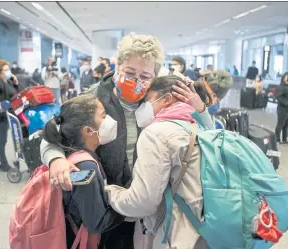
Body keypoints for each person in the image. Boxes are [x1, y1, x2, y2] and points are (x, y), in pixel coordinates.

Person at [40, 33, 213, 249]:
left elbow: (208, 137)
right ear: (117, 66)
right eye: (129, 73)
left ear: (155, 76)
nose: (137, 81)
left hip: (149, 211)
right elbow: (54, 132)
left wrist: (201, 110)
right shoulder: (93, 99)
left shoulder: (161, 101)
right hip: (106, 209)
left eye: (145, 76)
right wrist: (56, 159)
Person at [105, 75, 208, 249]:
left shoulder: (157, 133)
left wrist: (108, 192)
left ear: (167, 99)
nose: (143, 107)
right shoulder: (201, 127)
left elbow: (142, 202)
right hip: (207, 233)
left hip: (177, 238)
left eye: (147, 100)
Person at [42, 94, 126, 247]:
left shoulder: (72, 152)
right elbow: (96, 223)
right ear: (88, 131)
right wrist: (128, 206)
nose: (110, 121)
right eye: (104, 116)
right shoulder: (85, 168)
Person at [0, 59, 24, 171]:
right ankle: (4, 164)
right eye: (6, 70)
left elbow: (19, 93)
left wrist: (16, 82)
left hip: (6, 115)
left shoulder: (9, 82)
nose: (9, 71)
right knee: (2, 139)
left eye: (9, 69)